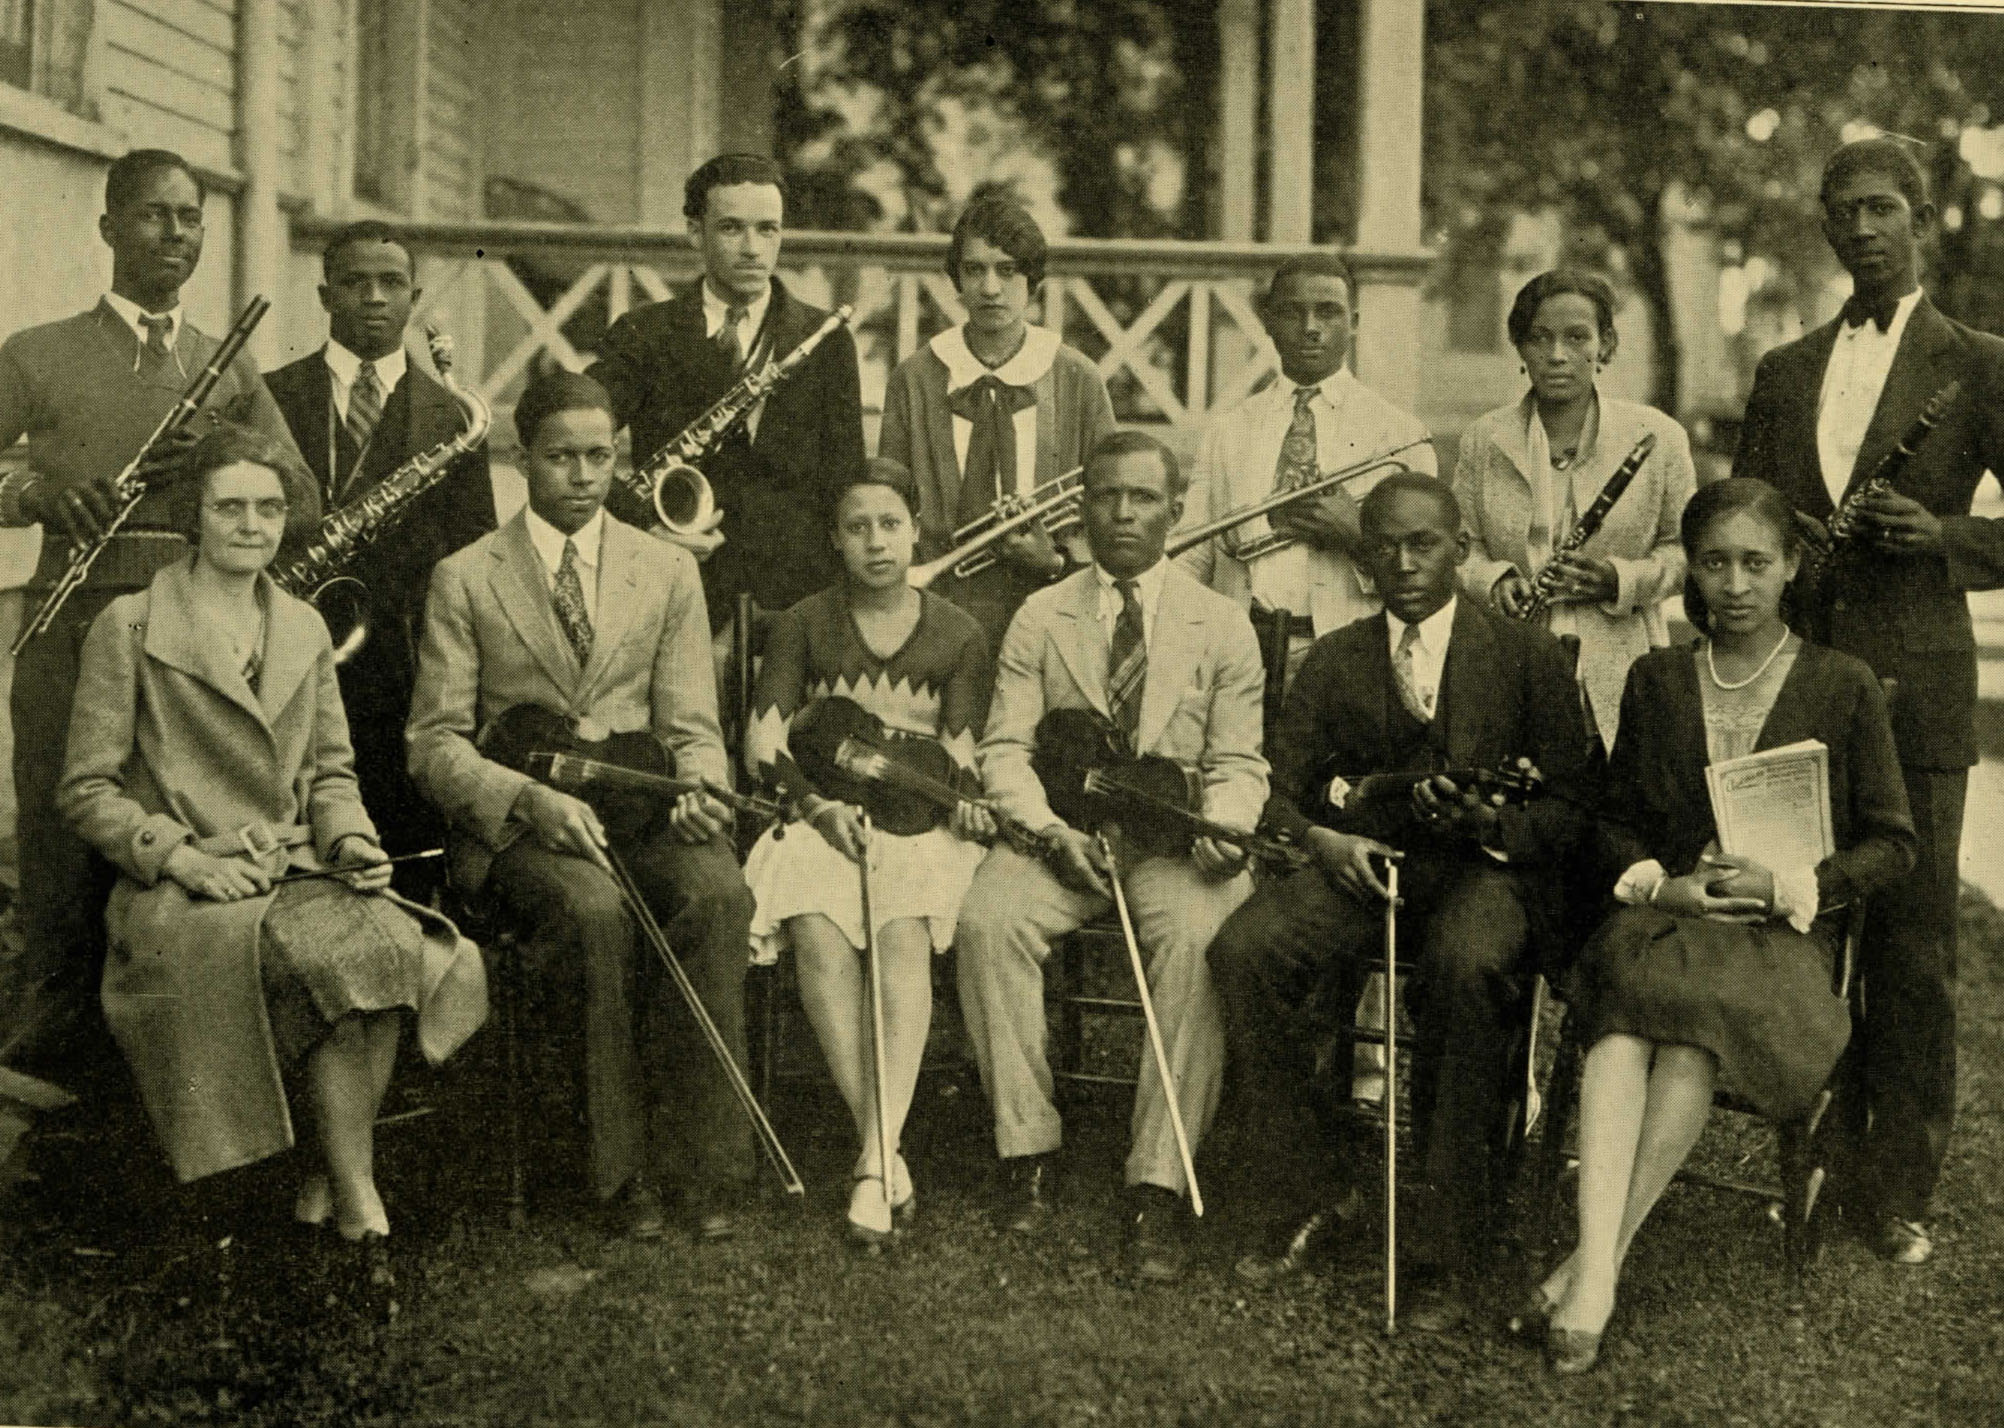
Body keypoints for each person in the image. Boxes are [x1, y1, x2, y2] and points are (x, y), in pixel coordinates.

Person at [55, 423, 486, 1313]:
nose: (251, 525)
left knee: (399, 946)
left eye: (270, 507)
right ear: (193, 517)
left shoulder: (300, 623)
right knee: (342, 964)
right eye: (230, 508)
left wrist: (353, 842)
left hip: (297, 868)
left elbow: (331, 772)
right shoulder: (129, 624)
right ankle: (359, 1200)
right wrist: (175, 858)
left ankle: (331, 1179)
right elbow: (87, 790)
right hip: (183, 892)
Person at [1529, 478, 1915, 1373]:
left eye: (1755, 563)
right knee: (1623, 1034)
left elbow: (1893, 844)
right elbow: (1616, 818)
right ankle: (1597, 1270)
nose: (1734, 584)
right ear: (1691, 575)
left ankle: (1590, 1273)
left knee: (1693, 1037)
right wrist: (1666, 887)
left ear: (1790, 568)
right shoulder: (1660, 677)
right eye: (1714, 564)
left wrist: (1791, 883)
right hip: (1674, 918)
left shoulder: (1841, 682)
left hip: (1778, 935)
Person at [1208, 471, 1590, 1329]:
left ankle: (1448, 1244)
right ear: (1364, 558)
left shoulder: (1526, 655)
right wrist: (1322, 841)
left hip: (1486, 874)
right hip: (1362, 870)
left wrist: (1500, 826)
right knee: (1244, 952)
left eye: (1425, 544)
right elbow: (1279, 788)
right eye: (1386, 546)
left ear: (1460, 549)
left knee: (1464, 966)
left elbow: (1578, 801)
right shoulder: (1337, 657)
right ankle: (1312, 1182)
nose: (1406, 563)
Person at [1733, 136, 2004, 1265]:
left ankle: (1895, 1188)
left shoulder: (1980, 361)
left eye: (1885, 208)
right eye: (1844, 211)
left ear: (1926, 220)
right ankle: (1810, 1157)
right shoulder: (1787, 365)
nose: (1864, 229)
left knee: (1911, 948)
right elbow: (1743, 513)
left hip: (1918, 691)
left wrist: (1943, 536)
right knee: (1800, 918)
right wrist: (1773, 538)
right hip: (1806, 690)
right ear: (1826, 225)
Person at [407, 369, 756, 1242]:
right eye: (561, 457)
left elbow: (693, 725)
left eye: (600, 456)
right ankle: (619, 1173)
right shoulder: (466, 576)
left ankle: (703, 1166)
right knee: (593, 910)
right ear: (521, 458)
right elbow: (434, 743)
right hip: (529, 827)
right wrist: (524, 799)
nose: (583, 476)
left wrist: (701, 791)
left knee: (717, 892)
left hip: (644, 809)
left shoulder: (666, 568)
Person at [0, 148, 314, 1081]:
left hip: (194, 636)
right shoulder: (35, 352)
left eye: (188, 218)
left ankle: (167, 1068)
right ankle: (49, 1063)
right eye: (151, 215)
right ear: (107, 228)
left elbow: (302, 504)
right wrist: (38, 496)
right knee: (61, 849)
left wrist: (227, 457)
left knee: (179, 833)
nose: (173, 234)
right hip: (71, 622)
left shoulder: (228, 365)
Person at [954, 429, 1267, 1283]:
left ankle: (1156, 1183)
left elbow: (1240, 763)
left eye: (1141, 498)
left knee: (1203, 940)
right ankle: (1028, 1149)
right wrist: (1049, 834)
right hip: (1067, 837)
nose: (1122, 513)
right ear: (1081, 508)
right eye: (1104, 496)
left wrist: (1223, 828)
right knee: (989, 919)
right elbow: (1005, 750)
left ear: (1174, 509)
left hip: (1175, 845)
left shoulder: (1222, 623)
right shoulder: (1040, 613)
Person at [740, 458, 994, 1245]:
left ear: (915, 530)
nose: (876, 542)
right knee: (815, 922)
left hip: (919, 822)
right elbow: (763, 741)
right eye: (857, 528)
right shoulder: (805, 623)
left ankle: (873, 1158)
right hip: (818, 813)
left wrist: (969, 806)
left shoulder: (959, 632)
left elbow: (960, 757)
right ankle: (884, 1156)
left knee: (903, 930)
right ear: (835, 540)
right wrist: (818, 809)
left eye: (890, 524)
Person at [265, 219, 495, 901]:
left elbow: (474, 546)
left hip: (402, 660)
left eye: (391, 283)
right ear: (324, 294)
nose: (374, 297)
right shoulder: (271, 395)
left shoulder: (452, 414)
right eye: (355, 282)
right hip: (290, 641)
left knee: (403, 837)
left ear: (414, 295)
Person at [588, 152, 866, 650]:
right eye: (732, 229)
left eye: (768, 230)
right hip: (676, 577)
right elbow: (567, 438)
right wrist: (644, 527)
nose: (753, 249)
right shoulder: (643, 334)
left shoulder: (826, 338)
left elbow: (844, 476)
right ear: (696, 232)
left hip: (794, 596)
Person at [1451, 267, 1697, 753]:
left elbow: (1687, 551)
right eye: (1540, 338)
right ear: (1520, 347)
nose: (1558, 355)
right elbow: (1460, 547)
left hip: (1624, 663)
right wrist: (1494, 581)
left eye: (1577, 337)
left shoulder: (1658, 436)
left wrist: (1619, 580)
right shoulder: (1484, 438)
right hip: (1511, 660)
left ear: (1605, 345)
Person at [1178, 253, 1437, 689]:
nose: (1311, 327)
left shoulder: (1401, 434)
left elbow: (1429, 572)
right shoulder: (1228, 429)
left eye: (1328, 312)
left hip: (1354, 656)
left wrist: (1359, 535)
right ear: (1268, 321)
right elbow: (1194, 552)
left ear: (1352, 322)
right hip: (1240, 653)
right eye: (1293, 313)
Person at [878, 193, 1117, 645]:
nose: (990, 289)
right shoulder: (915, 378)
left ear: (1033, 282)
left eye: (1008, 270)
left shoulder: (1078, 378)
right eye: (974, 269)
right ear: (956, 281)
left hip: (1055, 609)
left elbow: (1107, 505)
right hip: (937, 611)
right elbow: (888, 502)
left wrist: (1055, 561)